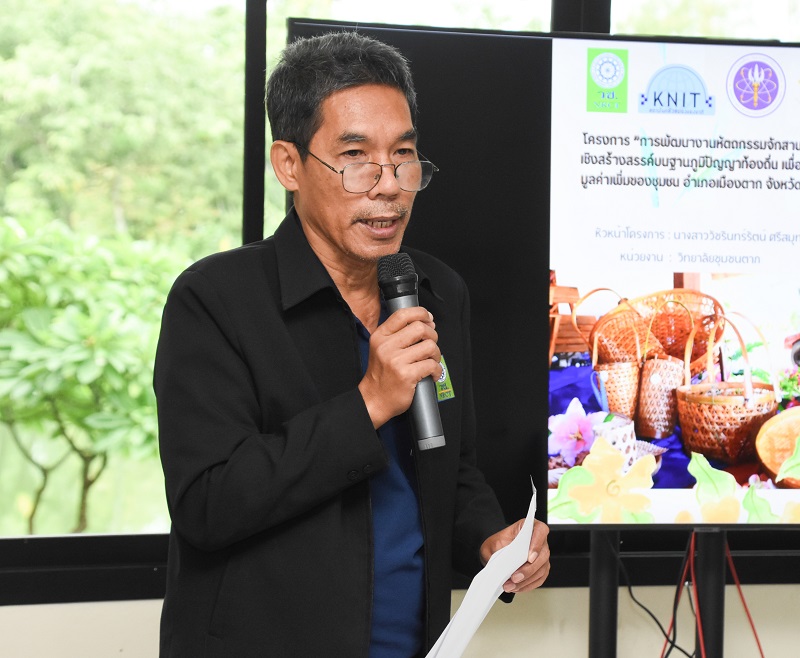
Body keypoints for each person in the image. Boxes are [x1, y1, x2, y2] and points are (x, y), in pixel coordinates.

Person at [154, 30, 550, 657]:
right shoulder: (215, 299)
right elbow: (208, 505)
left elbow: (452, 468)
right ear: (289, 164)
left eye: (404, 156)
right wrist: (369, 403)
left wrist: (489, 540)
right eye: (357, 157)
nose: (388, 185)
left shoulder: (436, 291)